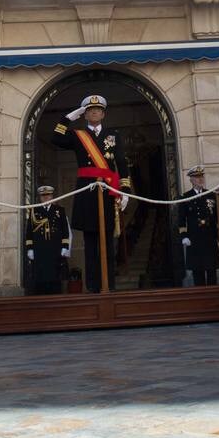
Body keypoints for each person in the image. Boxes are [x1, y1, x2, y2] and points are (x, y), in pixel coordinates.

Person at [51, 94, 130, 293]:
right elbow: (55, 138)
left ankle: (108, 286)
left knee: (108, 244)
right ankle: (93, 287)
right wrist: (68, 117)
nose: (94, 112)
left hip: (108, 192)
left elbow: (121, 162)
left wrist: (126, 190)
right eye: (89, 110)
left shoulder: (113, 135)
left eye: (98, 110)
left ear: (103, 114)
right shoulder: (78, 135)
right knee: (90, 243)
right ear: (85, 114)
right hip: (87, 192)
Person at [24, 184, 70, 295]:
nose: (45, 198)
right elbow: (29, 231)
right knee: (40, 275)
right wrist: (30, 248)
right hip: (40, 248)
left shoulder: (59, 210)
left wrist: (65, 247)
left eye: (48, 195)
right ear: (40, 197)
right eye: (43, 196)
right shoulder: (34, 211)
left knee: (55, 274)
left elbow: (65, 230)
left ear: (52, 196)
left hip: (55, 247)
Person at [179, 166, 219, 287]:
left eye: (201, 176)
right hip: (194, 238)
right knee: (198, 271)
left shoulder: (211, 195)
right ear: (191, 180)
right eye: (197, 177)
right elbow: (181, 219)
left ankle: (213, 297)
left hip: (209, 237)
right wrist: (184, 236)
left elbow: (217, 218)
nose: (200, 179)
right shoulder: (186, 197)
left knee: (212, 269)